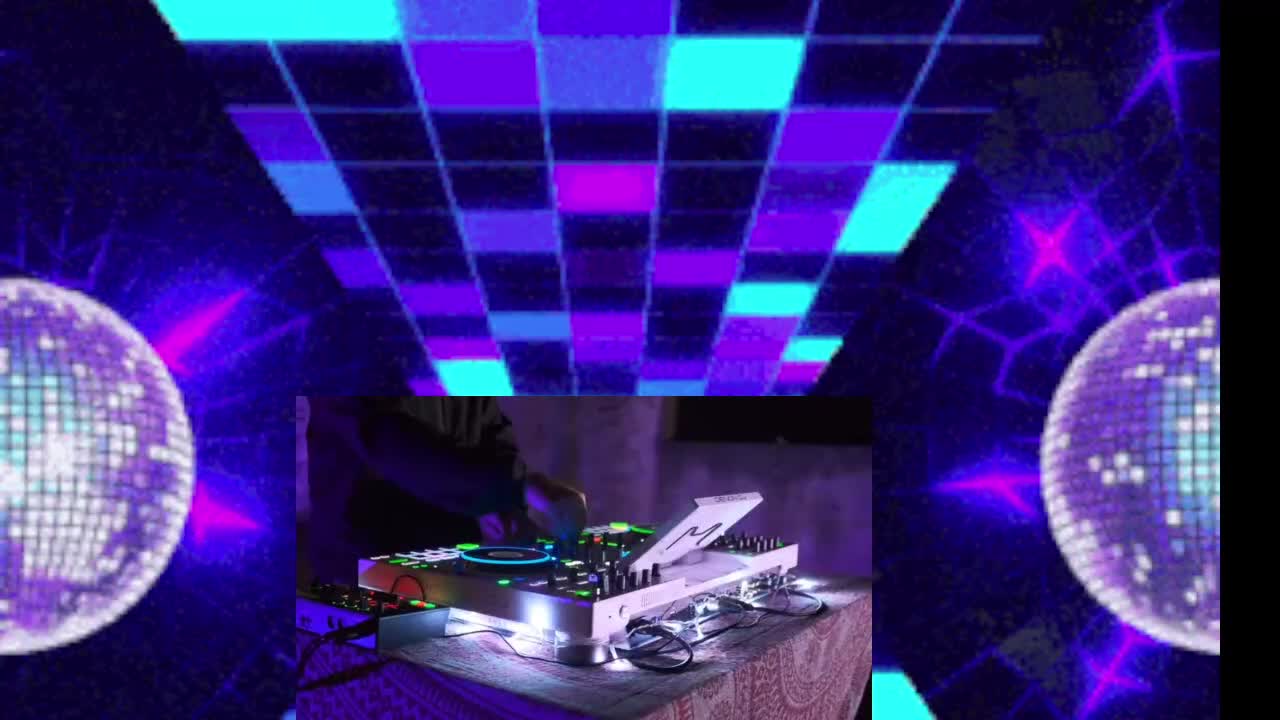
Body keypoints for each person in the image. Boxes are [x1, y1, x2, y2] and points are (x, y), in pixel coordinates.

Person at [303, 397, 587, 586]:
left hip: (451, 567)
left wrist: (505, 507)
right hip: (364, 568)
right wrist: (517, 486)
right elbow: (386, 439)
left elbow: (489, 427)